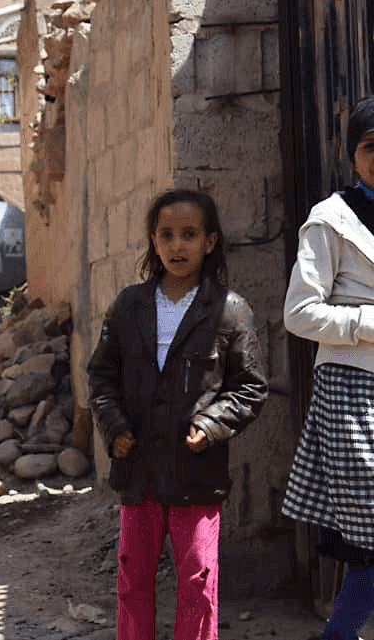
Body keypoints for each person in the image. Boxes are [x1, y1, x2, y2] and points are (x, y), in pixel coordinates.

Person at [87, 188, 267, 640]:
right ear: (153, 240)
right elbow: (101, 377)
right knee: (132, 580)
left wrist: (209, 426)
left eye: (189, 234)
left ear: (210, 242)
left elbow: (249, 388)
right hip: (139, 469)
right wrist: (114, 428)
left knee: (197, 580)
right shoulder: (128, 306)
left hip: (196, 471)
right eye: (166, 234)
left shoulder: (229, 311)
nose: (177, 245)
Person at [283, 97, 374, 640]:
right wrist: (368, 323)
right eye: (370, 148)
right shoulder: (331, 220)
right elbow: (299, 313)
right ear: (352, 155)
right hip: (351, 393)